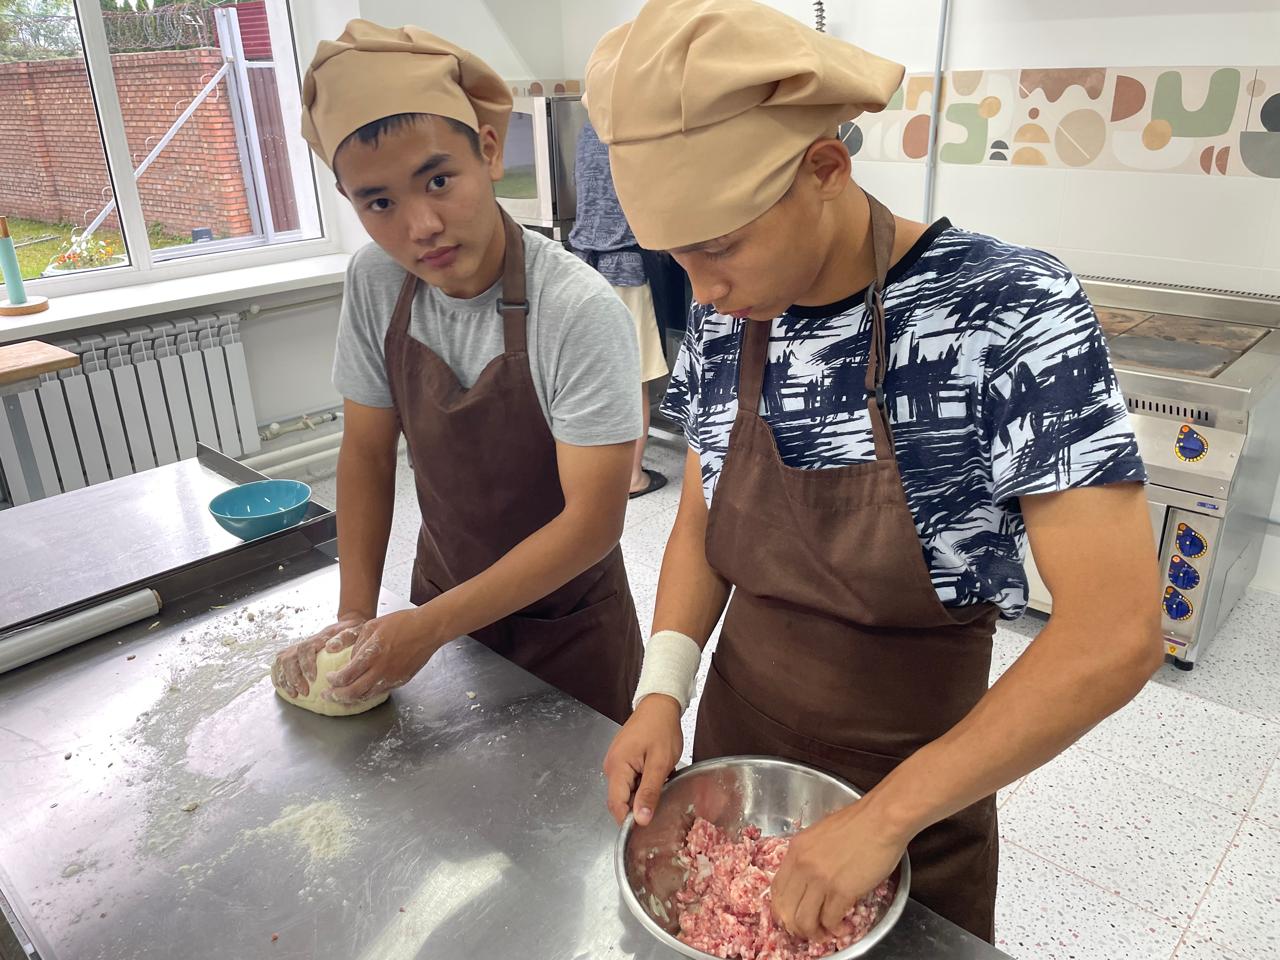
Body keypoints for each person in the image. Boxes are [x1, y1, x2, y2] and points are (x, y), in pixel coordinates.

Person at [591, 0, 1164, 944]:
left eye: (721, 245)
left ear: (826, 168)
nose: (705, 291)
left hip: (920, 796)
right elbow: (701, 516)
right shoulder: (728, 318)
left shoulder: (1009, 310)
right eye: (676, 256)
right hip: (738, 775)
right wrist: (663, 689)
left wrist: (884, 819)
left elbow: (1116, 633)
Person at [271, 21, 644, 724]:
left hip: (567, 626)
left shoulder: (577, 309)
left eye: (438, 181)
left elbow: (593, 523)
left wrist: (430, 627)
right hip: (440, 598)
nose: (421, 227)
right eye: (379, 202)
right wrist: (355, 614)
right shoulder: (377, 282)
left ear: (490, 151)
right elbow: (366, 452)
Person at [570, 116, 669, 498]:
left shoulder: (589, 126)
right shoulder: (634, 128)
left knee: (595, 376)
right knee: (633, 378)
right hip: (623, 265)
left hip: (584, 265)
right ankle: (631, 478)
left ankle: (593, 468)